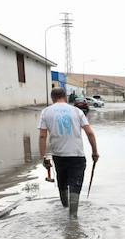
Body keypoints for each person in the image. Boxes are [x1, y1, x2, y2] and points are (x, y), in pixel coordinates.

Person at [38, 87, 100, 217]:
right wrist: (94, 152)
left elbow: (42, 136)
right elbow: (90, 133)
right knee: (75, 186)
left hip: (58, 156)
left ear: (52, 98)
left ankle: (64, 208)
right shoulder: (77, 111)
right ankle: (73, 217)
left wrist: (43, 157)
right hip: (77, 156)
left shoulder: (46, 112)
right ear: (65, 97)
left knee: (62, 183)